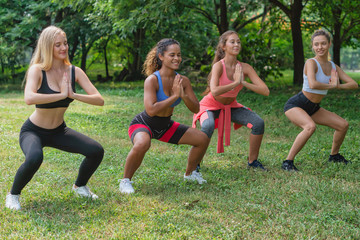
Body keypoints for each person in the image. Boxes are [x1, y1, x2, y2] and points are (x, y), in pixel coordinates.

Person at [5, 26, 105, 210]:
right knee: (35, 157)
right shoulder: (38, 70)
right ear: (47, 47)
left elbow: (99, 100)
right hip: (33, 131)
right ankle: (13, 195)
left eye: (65, 43)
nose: (63, 48)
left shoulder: (75, 71)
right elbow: (29, 98)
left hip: (59, 131)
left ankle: (80, 186)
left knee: (96, 151)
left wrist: (73, 95)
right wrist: (61, 95)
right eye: (57, 45)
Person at [119, 38, 209, 194]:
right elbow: (151, 110)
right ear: (161, 56)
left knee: (202, 139)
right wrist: (174, 97)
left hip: (165, 126)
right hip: (144, 124)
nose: (177, 58)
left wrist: (183, 95)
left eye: (179, 55)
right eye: (172, 55)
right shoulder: (152, 80)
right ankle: (125, 181)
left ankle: (190, 174)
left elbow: (196, 108)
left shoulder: (183, 81)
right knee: (142, 144)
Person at [193, 30, 270, 171]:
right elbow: (214, 90)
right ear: (223, 46)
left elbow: (265, 91)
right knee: (208, 126)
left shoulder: (245, 67)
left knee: (258, 123)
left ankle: (252, 162)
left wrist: (243, 82)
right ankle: (195, 163)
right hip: (209, 105)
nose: (236, 44)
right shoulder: (218, 66)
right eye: (232, 42)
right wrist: (235, 83)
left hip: (231, 105)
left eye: (238, 42)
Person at [282, 29, 358, 171]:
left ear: (329, 44)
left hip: (314, 107)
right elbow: (313, 84)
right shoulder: (311, 63)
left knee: (343, 125)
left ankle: (334, 156)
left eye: (323, 43)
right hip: (296, 104)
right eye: (316, 44)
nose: (320, 47)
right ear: (312, 46)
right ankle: (287, 162)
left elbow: (353, 84)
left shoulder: (333, 66)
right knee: (310, 127)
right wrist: (332, 85)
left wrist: (338, 86)